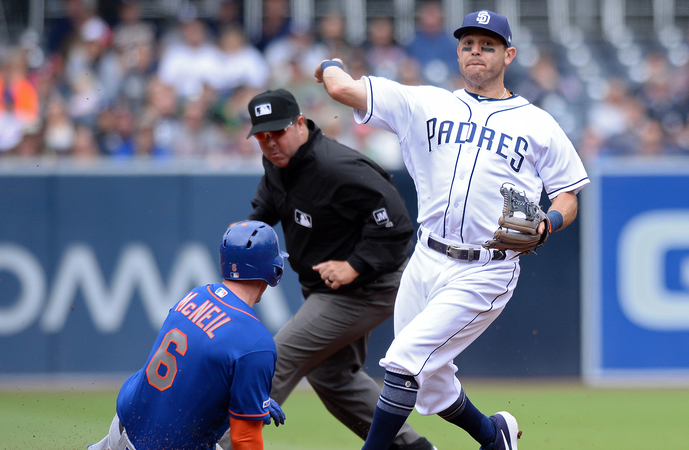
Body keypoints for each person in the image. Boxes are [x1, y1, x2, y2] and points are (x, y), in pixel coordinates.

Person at [314, 10, 589, 450]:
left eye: (488, 45)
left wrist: (547, 221)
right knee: (429, 385)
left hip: (485, 268)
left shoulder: (538, 124)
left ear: (509, 54)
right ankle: (492, 435)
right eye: (467, 44)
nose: (475, 51)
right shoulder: (425, 104)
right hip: (425, 258)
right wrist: (329, 65)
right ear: (458, 52)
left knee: (404, 363)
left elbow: (569, 196)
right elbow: (342, 88)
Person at [217, 89, 436, 450]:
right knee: (332, 376)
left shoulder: (336, 166)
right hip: (329, 288)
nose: (270, 142)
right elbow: (269, 205)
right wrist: (248, 228)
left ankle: (215, 443)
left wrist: (355, 265)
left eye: (277, 132)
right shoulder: (278, 164)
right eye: (261, 136)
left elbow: (396, 222)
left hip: (368, 287)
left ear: (300, 124)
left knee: (275, 359)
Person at [88, 221, 289, 450]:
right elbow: (245, 441)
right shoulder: (256, 344)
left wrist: (252, 398)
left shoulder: (195, 295)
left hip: (122, 427)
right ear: (273, 269)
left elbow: (194, 370)